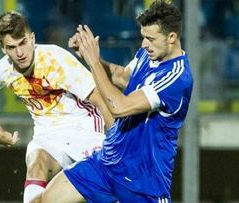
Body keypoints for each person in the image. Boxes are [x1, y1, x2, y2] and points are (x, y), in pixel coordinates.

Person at [31, 0, 193, 202]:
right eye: (143, 37)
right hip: (107, 164)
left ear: (171, 37)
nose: (144, 44)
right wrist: (91, 57)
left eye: (150, 39)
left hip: (142, 181)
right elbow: (122, 76)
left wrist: (93, 62)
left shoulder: (177, 77)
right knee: (42, 200)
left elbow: (119, 107)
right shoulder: (148, 54)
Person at [0, 11, 113, 203]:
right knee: (36, 161)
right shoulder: (3, 70)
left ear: (32, 38)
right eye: (12, 47)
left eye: (23, 43)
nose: (20, 52)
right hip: (48, 136)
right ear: (3, 48)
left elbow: (100, 99)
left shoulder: (57, 60)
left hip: (86, 132)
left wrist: (116, 145)